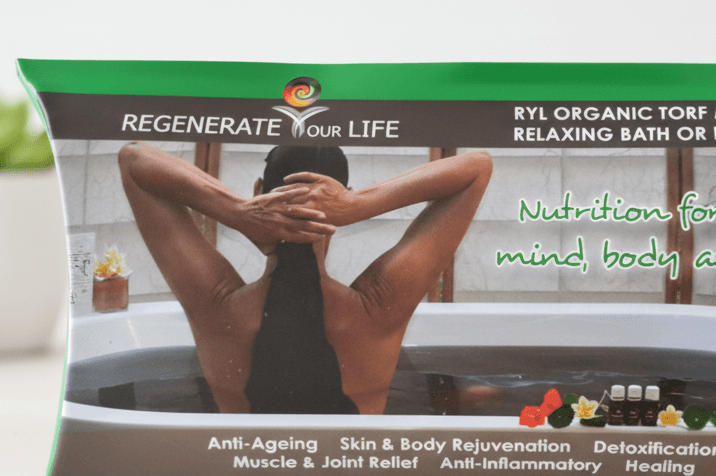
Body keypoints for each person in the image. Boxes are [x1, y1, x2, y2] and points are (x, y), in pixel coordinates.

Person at [117, 143, 492, 415]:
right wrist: (361, 203)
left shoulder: (217, 306)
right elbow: (477, 167)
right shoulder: (379, 307)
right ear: (339, 204)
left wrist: (236, 212)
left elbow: (135, 159)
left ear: (258, 192)